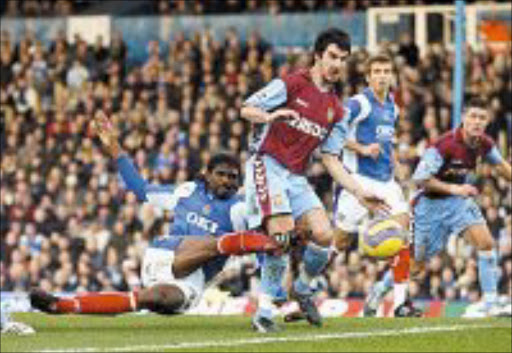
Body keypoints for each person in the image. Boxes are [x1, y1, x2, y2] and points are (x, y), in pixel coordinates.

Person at [29, 111, 280, 317]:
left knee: (153, 299)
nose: (227, 181)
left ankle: (61, 305)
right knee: (219, 245)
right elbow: (140, 189)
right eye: (221, 174)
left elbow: (256, 246)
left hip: (191, 282)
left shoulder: (241, 208)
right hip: (162, 256)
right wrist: (114, 147)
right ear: (206, 174)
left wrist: (271, 283)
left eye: (233, 177)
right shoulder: (186, 191)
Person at [240, 28, 388, 332]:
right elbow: (247, 108)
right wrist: (268, 117)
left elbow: (331, 159)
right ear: (318, 55)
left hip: (295, 177)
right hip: (266, 163)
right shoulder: (292, 83)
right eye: (332, 57)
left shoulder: (336, 109)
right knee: (281, 234)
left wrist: (360, 193)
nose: (337, 64)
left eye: (343, 59)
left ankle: (304, 288)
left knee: (324, 235)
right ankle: (265, 311)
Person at [332, 53, 422, 317]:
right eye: (378, 71)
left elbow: (385, 143)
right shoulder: (358, 103)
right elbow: (332, 133)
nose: (383, 75)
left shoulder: (392, 106)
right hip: (357, 180)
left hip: (386, 181)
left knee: (405, 234)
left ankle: (399, 304)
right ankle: (305, 288)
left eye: (386, 71)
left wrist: (395, 164)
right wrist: (360, 148)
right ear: (368, 76)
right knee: (339, 241)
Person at [411, 96, 512, 317]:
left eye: (482, 118)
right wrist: (455, 189)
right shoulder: (444, 144)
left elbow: (502, 167)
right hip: (429, 204)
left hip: (458, 203)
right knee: (417, 265)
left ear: (487, 121)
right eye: (473, 116)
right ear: (463, 118)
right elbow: (420, 179)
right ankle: (384, 289)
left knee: (486, 243)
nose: (477, 121)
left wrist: (458, 193)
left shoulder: (484, 143)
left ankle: (490, 302)